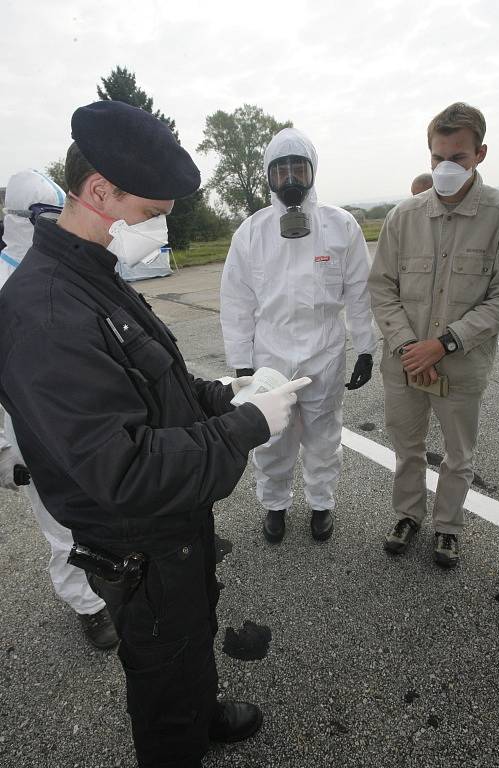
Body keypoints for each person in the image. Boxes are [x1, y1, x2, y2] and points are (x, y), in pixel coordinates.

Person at [0, 100, 309, 768]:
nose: (158, 229)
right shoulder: (48, 311)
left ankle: (197, 717)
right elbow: (123, 468)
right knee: (161, 657)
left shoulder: (94, 274)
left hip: (174, 523)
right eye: (151, 214)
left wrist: (224, 394)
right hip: (136, 534)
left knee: (191, 633)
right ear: (98, 192)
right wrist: (247, 426)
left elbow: (152, 378)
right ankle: (176, 744)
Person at [368, 102, 499, 568]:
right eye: (437, 158)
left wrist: (445, 342)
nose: (446, 167)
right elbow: (382, 287)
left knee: (457, 453)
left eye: (459, 158)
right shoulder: (402, 217)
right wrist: (410, 346)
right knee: (406, 446)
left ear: (481, 154)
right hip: (405, 361)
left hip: (460, 362)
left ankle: (448, 527)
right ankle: (407, 516)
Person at [220, 128, 377, 544]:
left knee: (324, 436)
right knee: (271, 437)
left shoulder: (341, 226)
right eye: (280, 170)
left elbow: (360, 293)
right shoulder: (251, 233)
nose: (290, 179)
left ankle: (321, 504)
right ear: (268, 177)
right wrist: (242, 361)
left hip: (324, 352)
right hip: (269, 355)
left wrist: (365, 347)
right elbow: (236, 302)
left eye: (298, 168)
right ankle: (274, 506)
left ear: (312, 172)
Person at [0, 169, 118, 649]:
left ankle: (111, 581)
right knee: (60, 522)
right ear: (21, 219)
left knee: (101, 508)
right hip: (29, 428)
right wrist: (4, 450)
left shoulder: (68, 265)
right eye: (47, 216)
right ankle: (88, 605)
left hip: (83, 417)